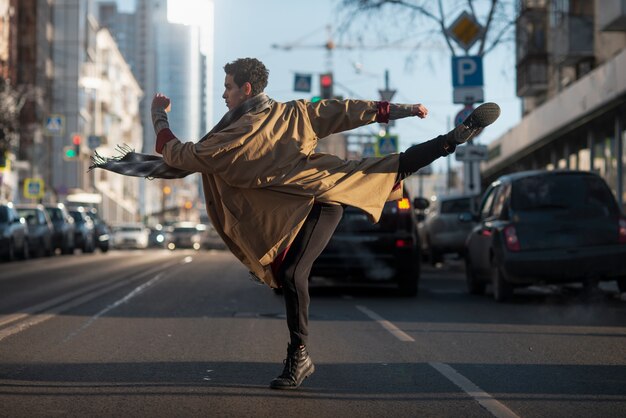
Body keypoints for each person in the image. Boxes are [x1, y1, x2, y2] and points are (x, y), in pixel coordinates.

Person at [138, 58, 499, 390]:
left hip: (320, 199)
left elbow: (181, 155)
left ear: (247, 89)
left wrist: (159, 116)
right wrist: (402, 109)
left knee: (295, 273)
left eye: (228, 86)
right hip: (303, 198)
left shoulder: (232, 136)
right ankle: (450, 140)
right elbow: (343, 111)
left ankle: (299, 356)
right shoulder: (293, 114)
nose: (223, 93)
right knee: (383, 169)